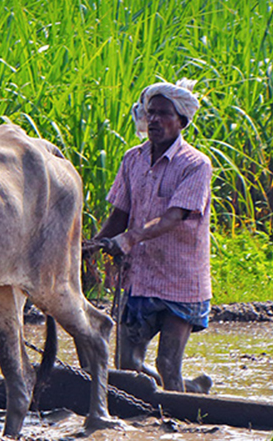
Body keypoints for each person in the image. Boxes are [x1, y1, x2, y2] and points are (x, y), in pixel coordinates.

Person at [84, 79, 214, 393]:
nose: (154, 119)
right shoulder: (133, 159)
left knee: (167, 364)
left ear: (181, 121)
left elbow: (174, 216)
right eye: (150, 112)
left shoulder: (195, 165)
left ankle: (177, 422)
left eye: (163, 114)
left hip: (180, 281)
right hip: (138, 278)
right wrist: (91, 246)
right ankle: (188, 391)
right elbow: (120, 214)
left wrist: (129, 239)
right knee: (128, 367)